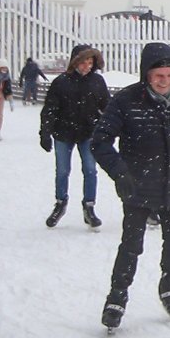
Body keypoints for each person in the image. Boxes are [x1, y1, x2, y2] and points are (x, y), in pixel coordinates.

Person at [91, 42, 170, 331]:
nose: (166, 82)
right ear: (146, 76)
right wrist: (120, 173)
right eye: (159, 76)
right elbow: (99, 141)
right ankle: (117, 297)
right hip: (138, 188)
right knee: (131, 245)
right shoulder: (127, 101)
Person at [40, 44, 112, 228]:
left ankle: (89, 206)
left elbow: (107, 108)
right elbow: (50, 109)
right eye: (83, 62)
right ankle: (60, 203)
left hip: (88, 133)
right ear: (75, 62)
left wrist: (109, 130)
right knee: (63, 171)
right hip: (64, 133)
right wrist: (45, 133)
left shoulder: (97, 82)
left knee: (90, 169)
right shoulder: (61, 82)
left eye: (90, 62)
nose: (86, 66)